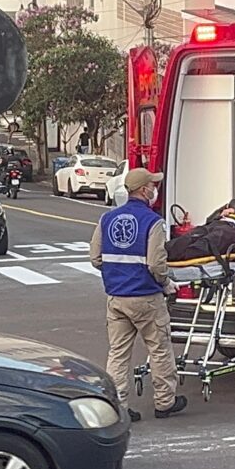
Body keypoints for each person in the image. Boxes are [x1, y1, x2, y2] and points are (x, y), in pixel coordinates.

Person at [90, 168, 187, 422]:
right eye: (152, 185)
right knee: (159, 349)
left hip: (116, 298)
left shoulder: (107, 219)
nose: (155, 189)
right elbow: (156, 264)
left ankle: (118, 407)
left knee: (118, 353)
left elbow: (95, 258)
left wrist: (117, 273)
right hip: (146, 297)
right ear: (144, 190)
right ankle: (165, 402)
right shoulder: (152, 222)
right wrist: (166, 283)